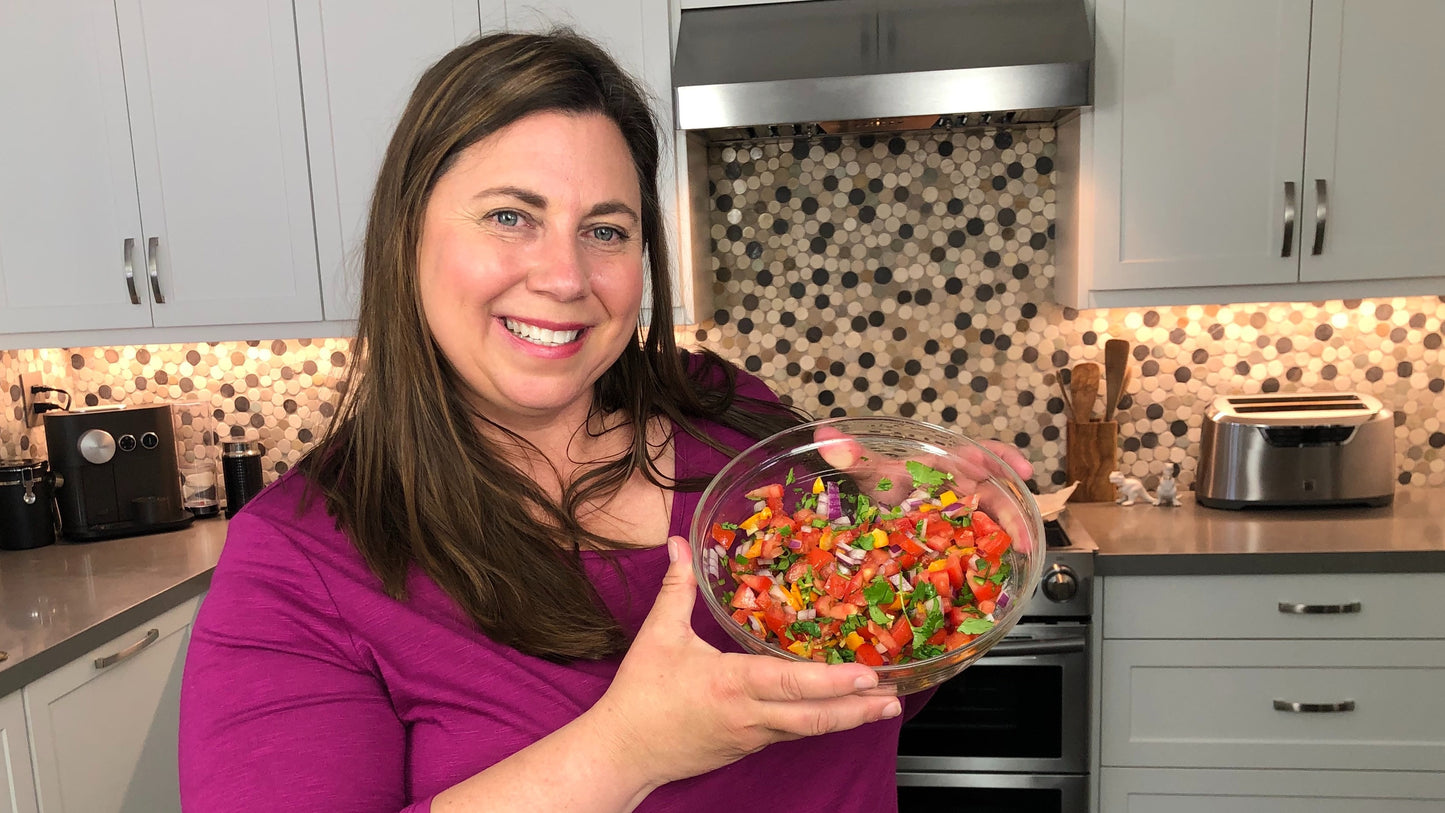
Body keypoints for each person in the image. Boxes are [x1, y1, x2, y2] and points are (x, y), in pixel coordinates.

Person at [178, 30, 1032, 813]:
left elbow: (868, 687)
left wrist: (928, 548)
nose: (565, 275)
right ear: (407, 235)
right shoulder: (297, 561)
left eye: (606, 229)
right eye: (510, 215)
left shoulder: (725, 415)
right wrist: (627, 750)